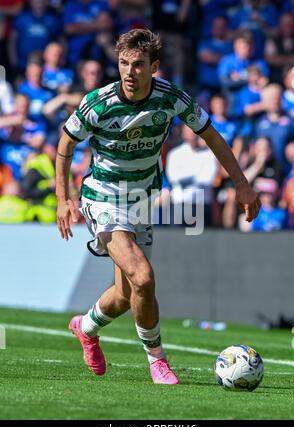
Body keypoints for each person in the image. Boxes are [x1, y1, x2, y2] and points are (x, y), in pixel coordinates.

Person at [55, 28, 260, 385]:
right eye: (123, 64)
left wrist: (241, 184)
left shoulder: (171, 98)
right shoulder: (98, 103)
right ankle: (157, 361)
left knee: (127, 293)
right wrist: (63, 198)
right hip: (102, 196)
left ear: (154, 67)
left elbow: (210, 135)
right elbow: (65, 143)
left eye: (138, 65)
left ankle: (86, 328)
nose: (129, 72)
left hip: (143, 199)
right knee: (144, 276)